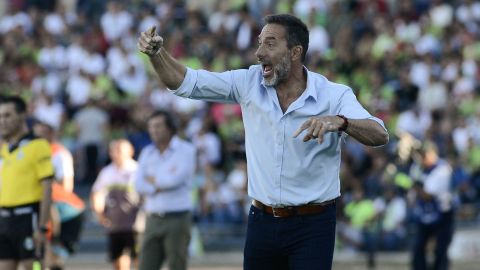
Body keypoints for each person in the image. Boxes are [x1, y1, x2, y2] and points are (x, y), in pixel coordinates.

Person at [138, 13, 389, 269]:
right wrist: (158, 55)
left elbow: (379, 134)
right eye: (259, 43)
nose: (258, 52)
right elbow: (186, 82)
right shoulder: (248, 82)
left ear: (295, 52)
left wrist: (341, 121)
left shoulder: (334, 95)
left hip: (313, 225)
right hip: (262, 221)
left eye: (270, 43)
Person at [134, 110, 196, 270]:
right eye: (151, 126)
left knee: (177, 265)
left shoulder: (186, 149)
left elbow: (175, 180)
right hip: (152, 217)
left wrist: (152, 181)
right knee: (145, 265)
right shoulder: (147, 152)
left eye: (158, 126)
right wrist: (159, 183)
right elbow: (138, 184)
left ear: (170, 128)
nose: (153, 130)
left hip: (177, 217)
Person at [0, 96, 54, 270]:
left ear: (22, 115)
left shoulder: (38, 146)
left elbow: (47, 188)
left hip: (28, 217)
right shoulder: (4, 150)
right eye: (0, 116)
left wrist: (43, 227)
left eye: (7, 116)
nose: (2, 121)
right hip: (4, 219)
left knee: (33, 266)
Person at [33, 120, 84, 270]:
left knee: (50, 253)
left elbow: (66, 184)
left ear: (51, 134)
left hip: (64, 210)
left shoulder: (59, 153)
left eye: (42, 133)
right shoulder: (33, 152)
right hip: (45, 206)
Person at [91, 139, 140, 270]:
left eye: (120, 150)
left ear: (130, 151)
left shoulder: (138, 170)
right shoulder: (107, 172)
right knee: (118, 259)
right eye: (114, 150)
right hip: (115, 223)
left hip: (136, 224)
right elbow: (97, 193)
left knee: (139, 257)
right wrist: (100, 213)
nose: (117, 153)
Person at [410, 141, 454, 270]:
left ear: (432, 154)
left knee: (440, 250)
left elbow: (427, 194)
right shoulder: (418, 167)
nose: (422, 158)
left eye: (424, 155)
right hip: (425, 213)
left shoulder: (443, 169)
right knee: (418, 248)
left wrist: (414, 186)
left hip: (443, 214)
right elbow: (414, 193)